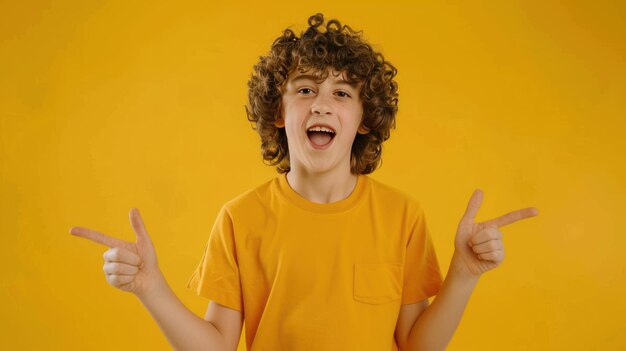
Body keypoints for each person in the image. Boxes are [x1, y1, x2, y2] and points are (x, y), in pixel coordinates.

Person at [70, 13, 538, 351]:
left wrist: (463, 274)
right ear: (278, 112)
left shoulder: (402, 215)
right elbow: (215, 346)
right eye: (305, 89)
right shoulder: (240, 219)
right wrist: (151, 287)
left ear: (365, 120)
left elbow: (417, 345)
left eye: (341, 93)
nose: (321, 104)